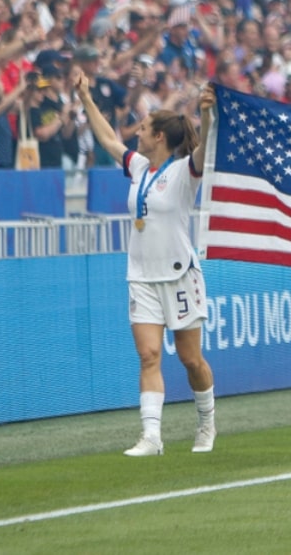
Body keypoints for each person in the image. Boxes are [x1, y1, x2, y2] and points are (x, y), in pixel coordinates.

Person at [75, 71, 217, 457]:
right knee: (149, 355)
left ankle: (206, 422)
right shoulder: (138, 167)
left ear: (160, 137)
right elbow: (107, 139)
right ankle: (151, 437)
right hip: (141, 276)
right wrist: (86, 98)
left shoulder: (185, 171)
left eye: (144, 126)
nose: (137, 130)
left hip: (179, 276)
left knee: (191, 359)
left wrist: (209, 115)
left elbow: (206, 149)